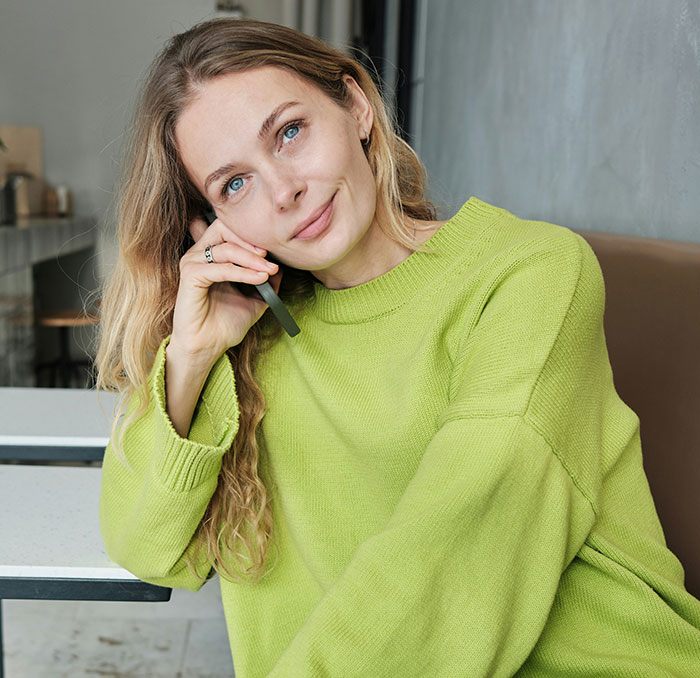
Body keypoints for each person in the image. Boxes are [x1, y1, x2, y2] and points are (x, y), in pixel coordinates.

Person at [97, 16, 700, 678]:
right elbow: (148, 549)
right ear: (214, 225)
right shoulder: (243, 341)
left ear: (355, 105)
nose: (284, 191)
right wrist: (188, 358)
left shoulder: (530, 272)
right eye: (233, 184)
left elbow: (464, 535)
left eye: (289, 133)